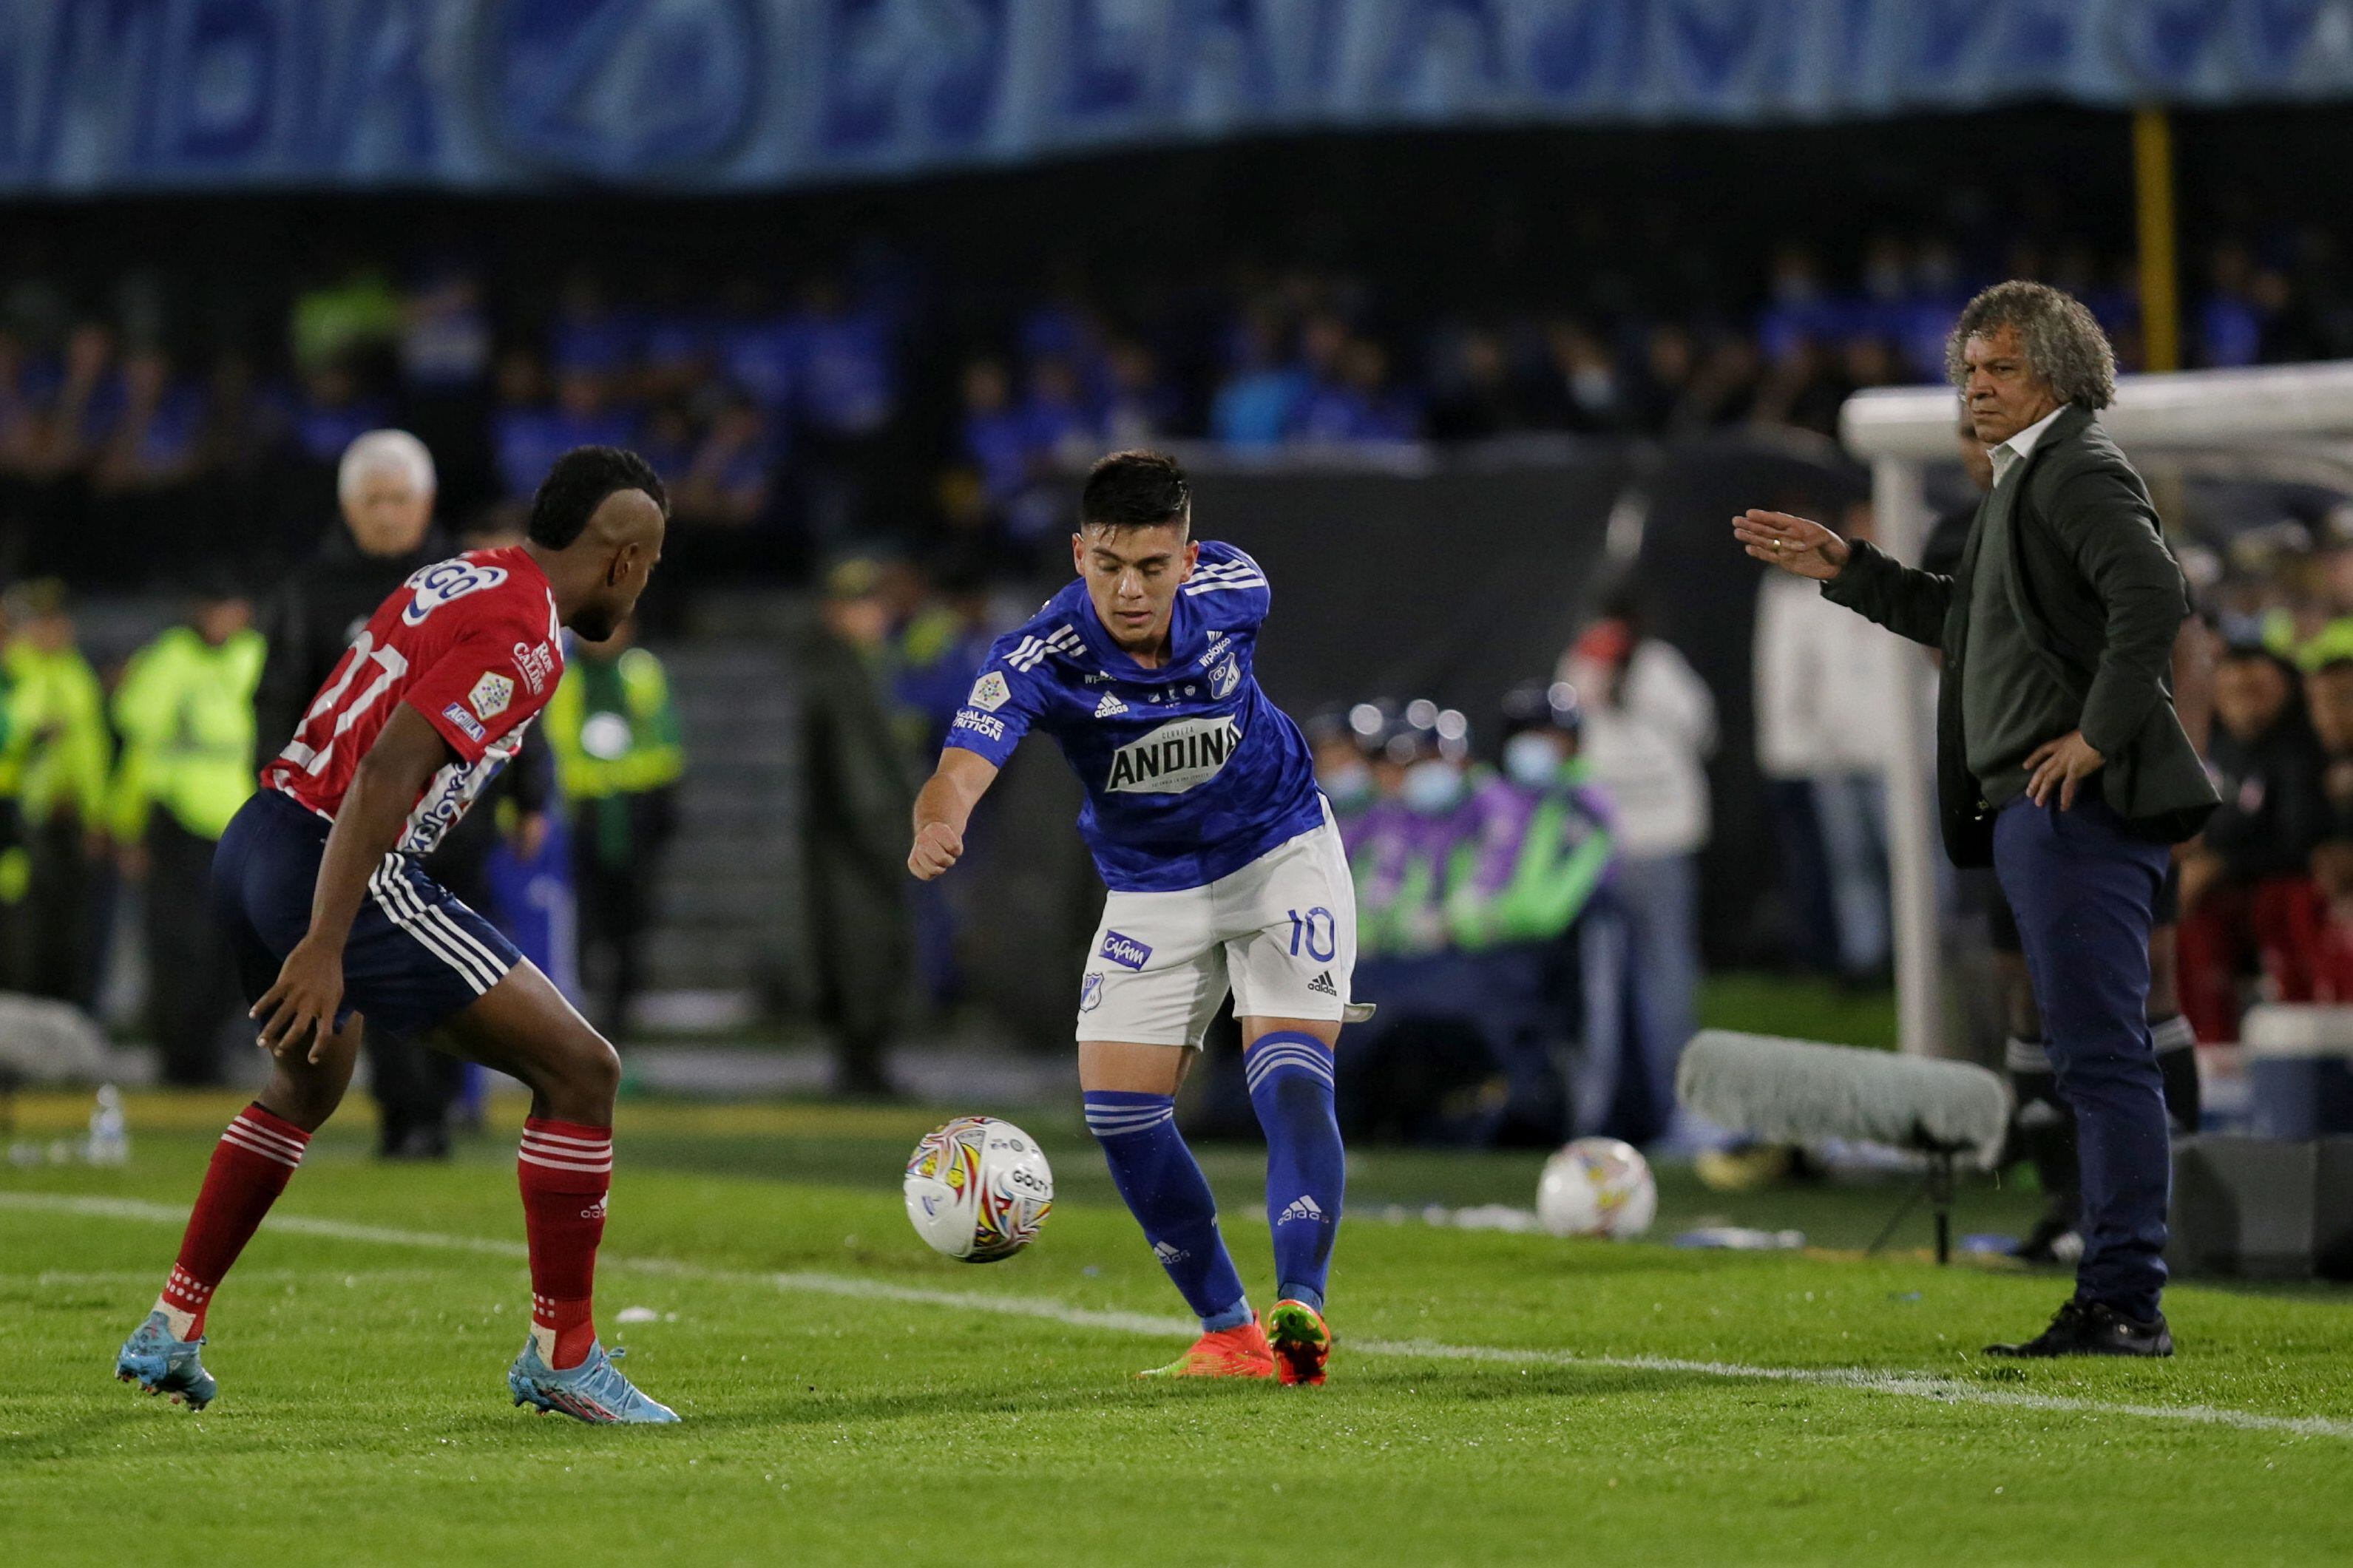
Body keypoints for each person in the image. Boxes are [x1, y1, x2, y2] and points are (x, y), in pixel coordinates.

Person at [115, 446, 676, 1424]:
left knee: (308, 1083)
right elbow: (384, 772)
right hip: (342, 865)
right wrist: (328, 938)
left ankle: (173, 1323)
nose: (643, 587)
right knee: (582, 1072)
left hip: (261, 838)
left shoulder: (460, 573)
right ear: (624, 558)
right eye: (650, 566)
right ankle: (565, 1353)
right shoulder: (528, 635)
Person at [1736, 280, 2218, 1357]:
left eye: (1998, 369)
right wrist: (1847, 568)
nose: (1976, 387)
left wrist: (2095, 736)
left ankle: (2124, 1296)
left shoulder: (2077, 466)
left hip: (2073, 804)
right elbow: (1966, 621)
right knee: (2089, 1053)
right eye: (1969, 369)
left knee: (2101, 1057)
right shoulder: (2026, 480)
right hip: (2032, 808)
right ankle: (2112, 1284)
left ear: (2055, 372)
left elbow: (2154, 594)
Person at [908, 449, 1351, 1386]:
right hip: (1152, 885)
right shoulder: (1039, 655)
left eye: (1152, 567)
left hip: (1280, 852)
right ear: (1078, 556)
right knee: (1119, 1114)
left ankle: (1301, 1306)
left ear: (1188, 562)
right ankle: (1228, 1334)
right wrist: (940, 825)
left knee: (1289, 1074)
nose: (1130, 589)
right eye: (1109, 565)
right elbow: (959, 765)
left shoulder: (1240, 589)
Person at [257, 430, 484, 1158]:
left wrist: (531, 794)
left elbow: (510, 691)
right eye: (373, 500)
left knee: (459, 968)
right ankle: (408, 1108)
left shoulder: (473, 583)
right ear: (349, 508)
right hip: (355, 823)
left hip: (454, 816)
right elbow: (278, 703)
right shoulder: (312, 595)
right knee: (381, 970)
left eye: (399, 499)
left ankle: (441, 1104)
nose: (387, 515)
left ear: (426, 504)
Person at [1558, 600, 1716, 1142]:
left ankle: (1675, 1112)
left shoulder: (1656, 668)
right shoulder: (1581, 668)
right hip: (1608, 852)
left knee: (1661, 981)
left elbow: (1700, 730)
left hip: (1656, 845)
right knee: (1611, 989)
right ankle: (1614, 1113)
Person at [108, 577, 265, 1086]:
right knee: (178, 943)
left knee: (235, 945)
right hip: (177, 822)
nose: (224, 617)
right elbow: (141, 743)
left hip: (245, 824)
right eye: (215, 605)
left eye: (232, 605)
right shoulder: (170, 657)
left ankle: (218, 1049)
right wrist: (128, 825)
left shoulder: (259, 656)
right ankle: (179, 1055)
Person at [802, 557, 923, 1096]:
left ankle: (867, 1063)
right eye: (860, 605)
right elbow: (859, 778)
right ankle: (862, 1066)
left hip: (862, 841)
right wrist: (894, 843)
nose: (872, 615)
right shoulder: (840, 675)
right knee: (862, 952)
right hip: (858, 848)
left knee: (872, 951)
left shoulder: (863, 667)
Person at [2174, 645, 2329, 1042]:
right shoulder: (2210, 748)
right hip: (2225, 890)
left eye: (2257, 689)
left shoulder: (2306, 748)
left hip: (2281, 885)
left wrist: (2223, 863)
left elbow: (2304, 842)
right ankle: (2208, 1041)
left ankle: (2307, 1030)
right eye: (2233, 691)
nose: (2245, 703)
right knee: (2176, 908)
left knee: (2288, 901)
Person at [543, 616, 683, 1039]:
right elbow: (557, 744)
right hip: (582, 818)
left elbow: (665, 740)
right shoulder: (564, 678)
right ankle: (582, 1010)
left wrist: (659, 807)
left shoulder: (642, 672)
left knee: (631, 922)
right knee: (584, 922)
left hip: (635, 813)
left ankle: (621, 1016)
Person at [3, 580, 111, 1002]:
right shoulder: (14, 671)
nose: (54, 631)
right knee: (24, 932)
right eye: (43, 622)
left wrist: (99, 813)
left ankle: (65, 1025)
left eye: (58, 621)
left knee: (71, 931)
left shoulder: (75, 672)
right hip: (25, 818)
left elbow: (91, 751)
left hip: (72, 822)